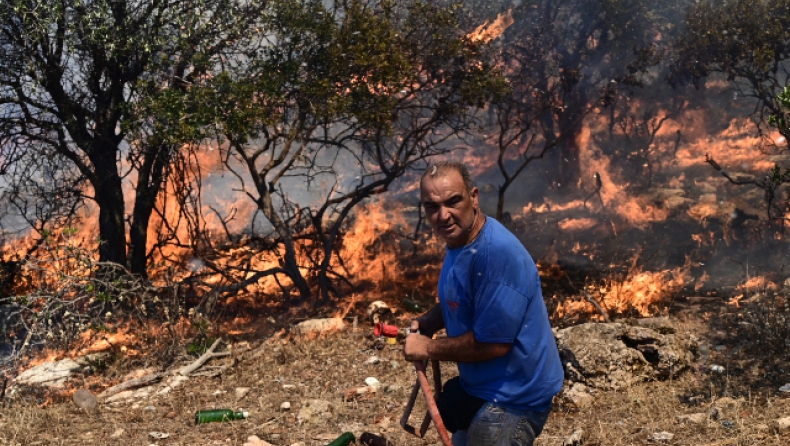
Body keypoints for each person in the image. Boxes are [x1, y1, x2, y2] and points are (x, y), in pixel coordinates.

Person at [404, 161, 563, 446]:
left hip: (514, 398)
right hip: (484, 389)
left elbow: (492, 343)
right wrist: (432, 319)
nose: (443, 216)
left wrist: (427, 347)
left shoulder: (494, 255)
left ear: (474, 197)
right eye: (432, 207)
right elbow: (465, 297)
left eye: (453, 201)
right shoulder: (461, 241)